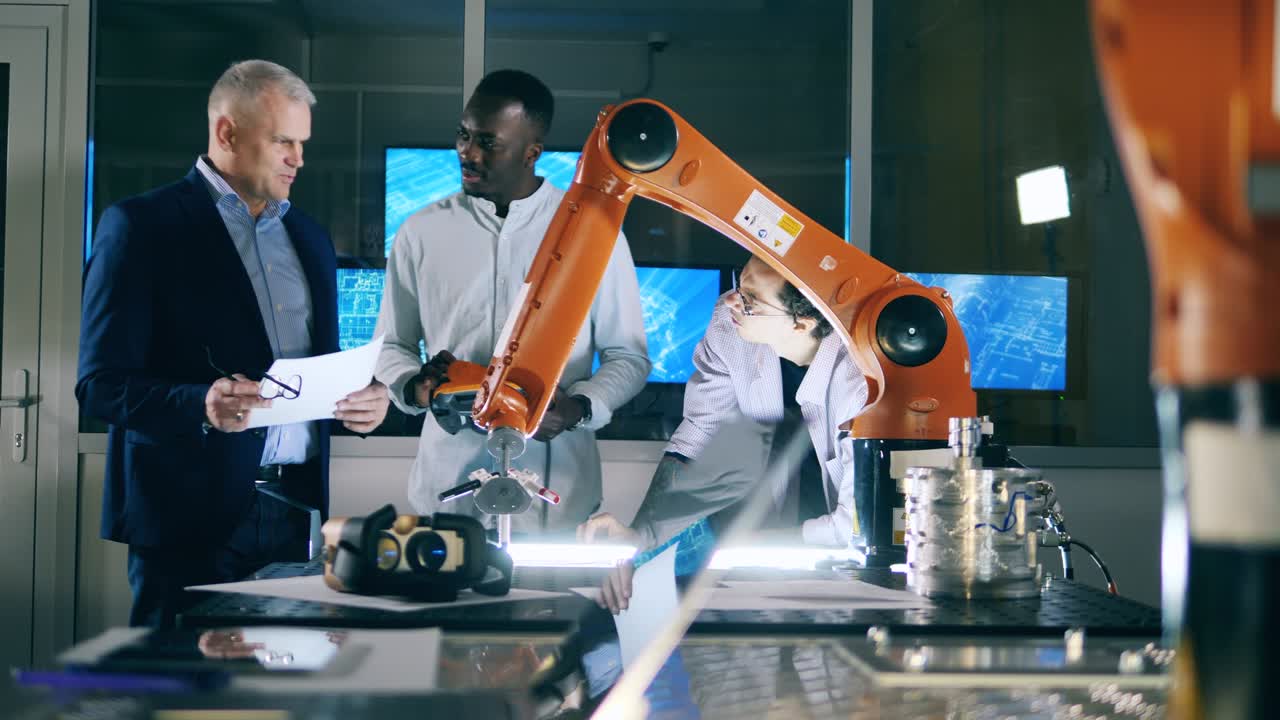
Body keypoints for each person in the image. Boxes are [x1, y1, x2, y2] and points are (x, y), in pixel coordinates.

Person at [77, 60, 389, 628]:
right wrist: (201, 404)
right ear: (227, 133)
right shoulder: (140, 227)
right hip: (186, 516)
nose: (300, 158)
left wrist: (363, 402)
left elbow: (315, 378)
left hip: (295, 512)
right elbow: (98, 386)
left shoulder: (311, 238)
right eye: (283, 142)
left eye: (303, 142)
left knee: (281, 698)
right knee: (182, 702)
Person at [374, 69, 649, 533]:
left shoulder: (592, 236)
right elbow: (390, 346)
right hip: (446, 497)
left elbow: (629, 357)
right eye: (463, 135)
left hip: (558, 500)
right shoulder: (419, 232)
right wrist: (413, 387)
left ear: (532, 152)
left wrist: (578, 408)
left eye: (488, 142)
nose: (468, 153)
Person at [579, 257, 870, 612]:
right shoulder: (729, 324)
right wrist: (643, 539)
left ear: (801, 324)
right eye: (738, 284)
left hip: (848, 557)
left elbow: (852, 526)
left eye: (751, 300)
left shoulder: (860, 386)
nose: (732, 301)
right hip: (769, 530)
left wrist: (747, 549)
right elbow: (700, 432)